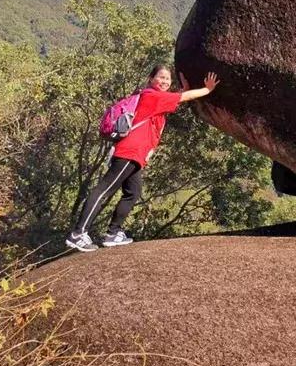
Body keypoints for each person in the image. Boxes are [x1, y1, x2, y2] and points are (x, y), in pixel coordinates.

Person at [65, 64, 220, 252]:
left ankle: (113, 233)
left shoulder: (156, 98)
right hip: (129, 151)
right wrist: (207, 89)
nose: (164, 81)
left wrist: (184, 89)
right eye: (160, 77)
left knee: (133, 192)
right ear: (151, 78)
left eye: (167, 79)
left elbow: (176, 99)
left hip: (135, 154)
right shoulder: (151, 96)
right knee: (104, 190)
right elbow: (183, 98)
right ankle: (78, 233)